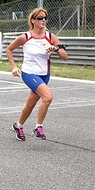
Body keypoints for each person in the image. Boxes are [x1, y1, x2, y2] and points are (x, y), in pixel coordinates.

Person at [6, 8, 68, 141]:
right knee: (47, 97)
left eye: (45, 18)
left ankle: (18, 125)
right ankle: (38, 127)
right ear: (33, 20)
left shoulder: (50, 37)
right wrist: (14, 67)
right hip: (29, 73)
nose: (43, 20)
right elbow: (9, 49)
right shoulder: (25, 37)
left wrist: (56, 48)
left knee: (30, 104)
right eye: (40, 18)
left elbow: (65, 56)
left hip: (44, 75)